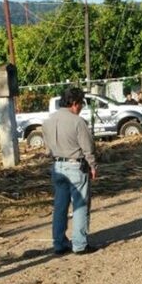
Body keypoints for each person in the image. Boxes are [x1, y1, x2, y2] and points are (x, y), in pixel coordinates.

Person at [43, 87, 98, 255]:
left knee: (60, 206)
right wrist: (93, 165)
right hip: (76, 166)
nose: (81, 107)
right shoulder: (78, 122)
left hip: (57, 166)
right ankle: (80, 244)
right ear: (74, 104)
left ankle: (59, 243)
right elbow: (88, 147)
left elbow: (47, 149)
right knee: (80, 205)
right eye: (81, 104)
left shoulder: (48, 121)